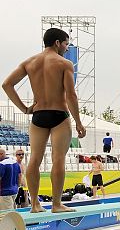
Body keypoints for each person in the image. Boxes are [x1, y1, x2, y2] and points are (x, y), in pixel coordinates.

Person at [2, 27, 87, 213]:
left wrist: (24, 109)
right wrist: (79, 122)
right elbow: (71, 96)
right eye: (66, 44)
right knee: (59, 159)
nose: (66, 48)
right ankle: (57, 204)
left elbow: (6, 84)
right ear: (57, 43)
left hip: (38, 115)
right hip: (59, 115)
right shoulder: (65, 64)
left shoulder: (29, 62)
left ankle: (34, 205)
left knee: (34, 159)